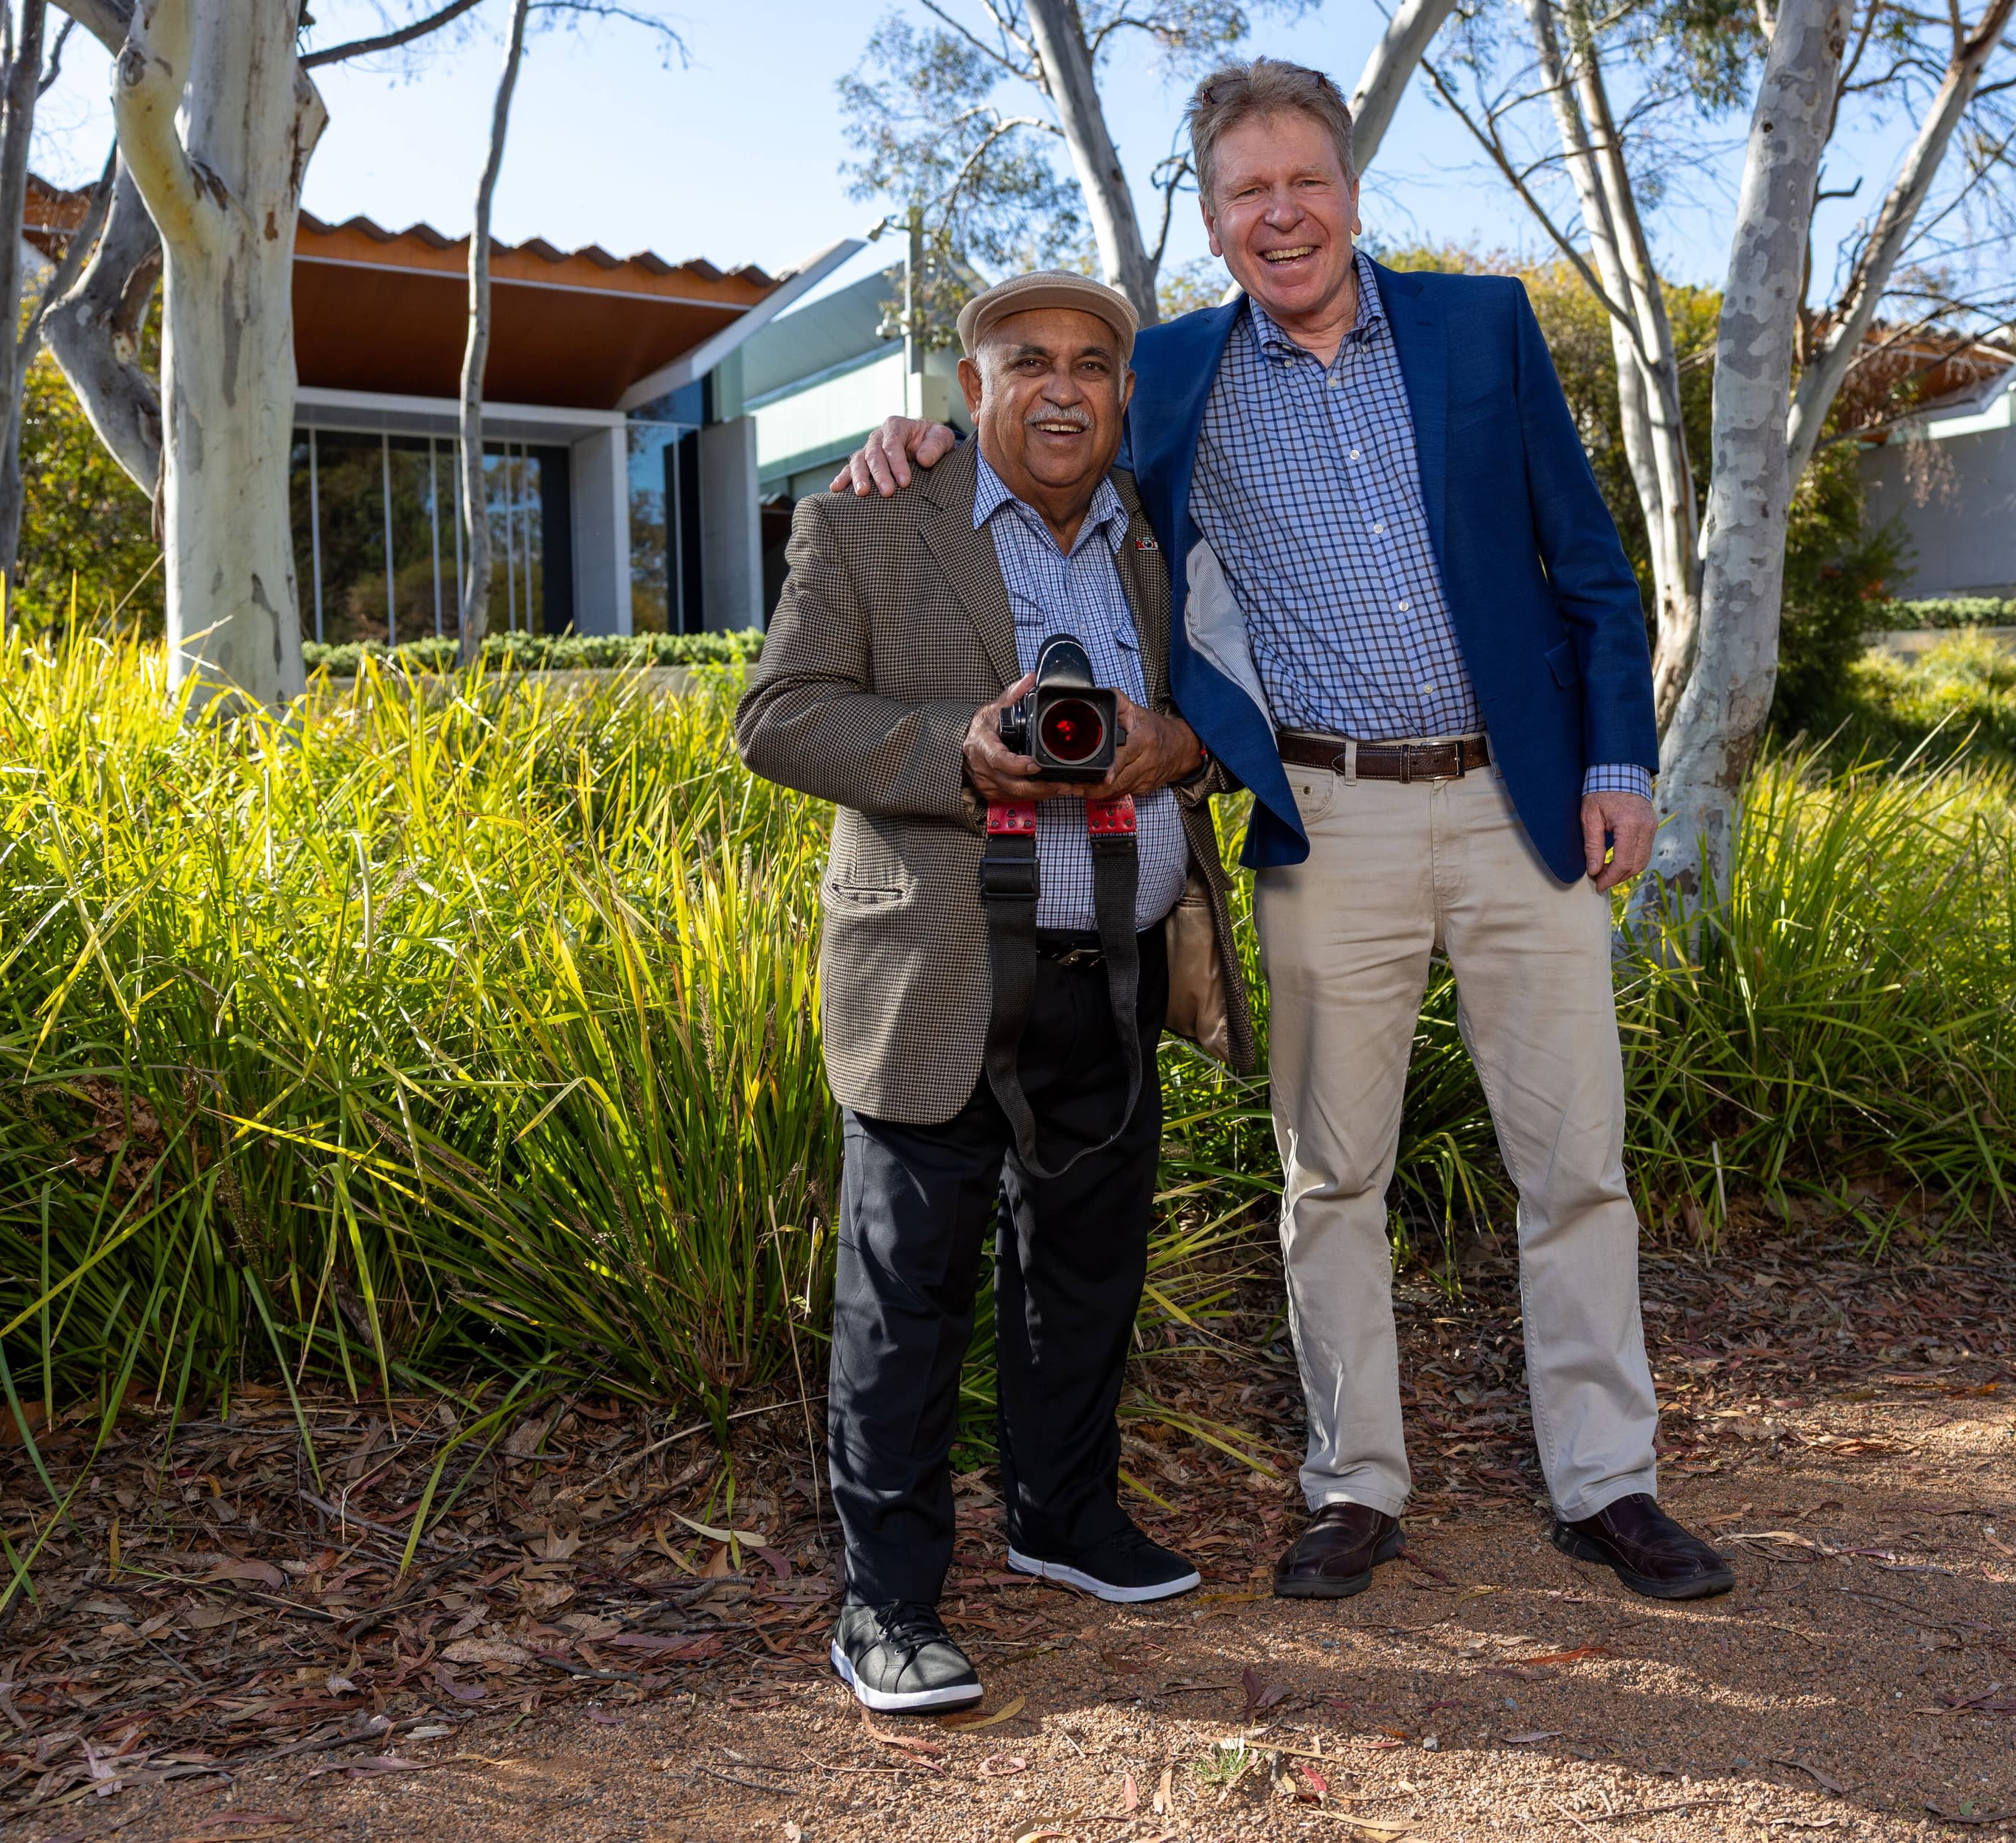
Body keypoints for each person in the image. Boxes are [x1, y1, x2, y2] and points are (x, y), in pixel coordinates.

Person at [839, 60, 1731, 1603]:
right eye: (1247, 192)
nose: (1281, 214)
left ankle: (1609, 1481)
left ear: (1351, 189)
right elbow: (1045, 434)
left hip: (1521, 809)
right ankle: (1353, 1485)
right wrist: (916, 441)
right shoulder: (1172, 372)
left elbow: (1587, 564)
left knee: (1574, 1162)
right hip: (1322, 814)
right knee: (1333, 1175)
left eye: (1303, 181)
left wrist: (1618, 761)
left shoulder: (1481, 327)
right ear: (1210, 218)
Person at [736, 271, 1257, 1713]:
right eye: (1026, 360)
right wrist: (958, 750)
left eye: (1094, 362)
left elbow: (1216, 703)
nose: (1063, 386)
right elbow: (776, 715)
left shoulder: (1152, 531)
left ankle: (1061, 1515)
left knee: (1086, 1268)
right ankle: (885, 1604)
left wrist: (1178, 747)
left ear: (1122, 393)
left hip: (1118, 958)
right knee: (907, 1296)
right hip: (940, 966)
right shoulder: (864, 516)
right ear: (969, 389)